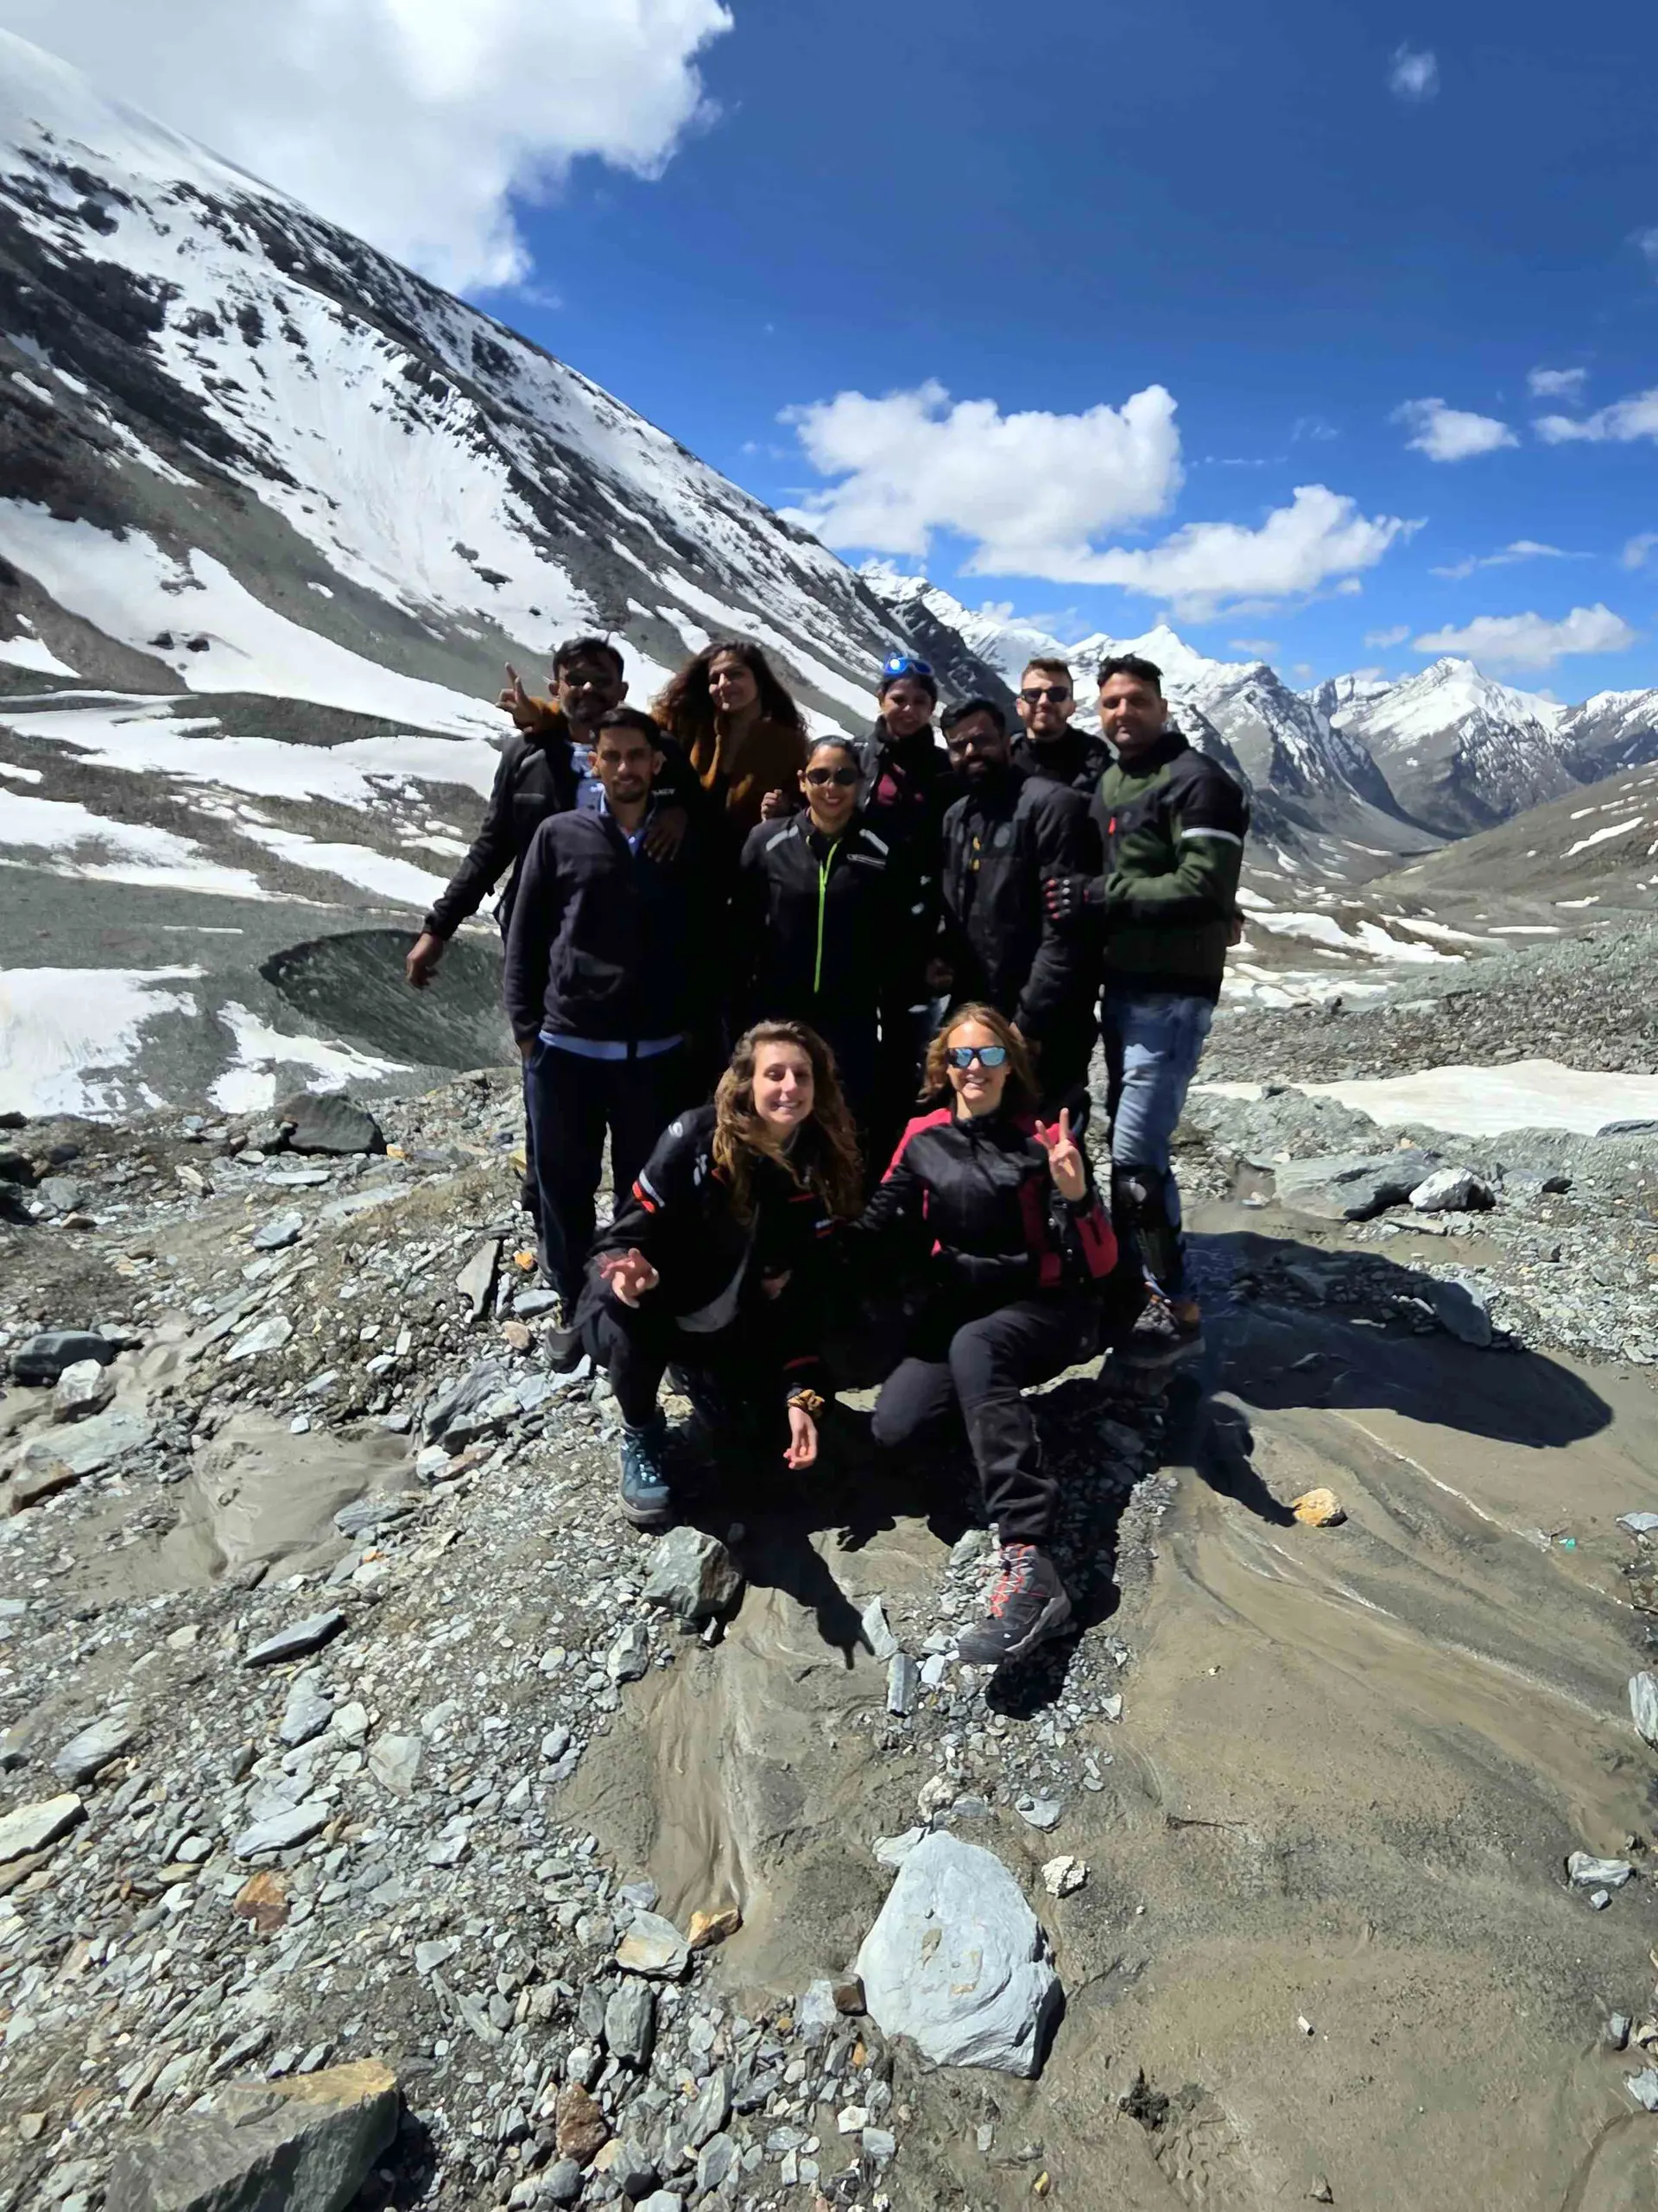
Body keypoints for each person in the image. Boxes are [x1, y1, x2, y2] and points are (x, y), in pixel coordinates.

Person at [857, 1005, 1117, 1665]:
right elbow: (876, 1226)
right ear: (944, 1067)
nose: (976, 1067)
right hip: (961, 1312)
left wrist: (1079, 1195)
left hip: (1045, 1309)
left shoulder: (1042, 1140)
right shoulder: (921, 1136)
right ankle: (990, 1422)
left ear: (1010, 1065)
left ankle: (1031, 1561)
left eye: (990, 1054)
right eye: (962, 1055)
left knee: (978, 1346)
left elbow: (1102, 1260)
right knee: (896, 1427)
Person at [1045, 653, 1250, 1366]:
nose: (1123, 712)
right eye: (1111, 702)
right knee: (1126, 1151)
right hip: (1123, 987)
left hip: (1173, 995)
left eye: (1136, 700)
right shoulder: (1111, 780)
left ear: (1163, 706)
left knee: (1134, 1159)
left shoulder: (1199, 781)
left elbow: (1203, 884)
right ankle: (1133, 1290)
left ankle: (1178, 1311)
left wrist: (1101, 896)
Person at [585, 1021, 864, 1528]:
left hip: (737, 1323)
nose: (790, 1087)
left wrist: (803, 1397)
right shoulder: (694, 1139)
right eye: (774, 1074)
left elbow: (812, 1298)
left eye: (802, 1075)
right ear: (746, 1083)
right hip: (659, 1308)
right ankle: (641, 1432)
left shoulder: (819, 1161)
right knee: (627, 1313)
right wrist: (626, 1280)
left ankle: (706, 1378)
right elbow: (616, 1243)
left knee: (764, 1463)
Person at [503, 707, 721, 1321]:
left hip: (653, 1057)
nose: (626, 767)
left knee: (645, 1192)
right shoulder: (559, 835)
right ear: (594, 763)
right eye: (613, 756)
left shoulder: (682, 841)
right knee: (563, 1189)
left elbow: (708, 940)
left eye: (637, 756)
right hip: (564, 1052)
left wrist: (693, 1030)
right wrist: (527, 1031)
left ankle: (632, 1306)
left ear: (657, 764)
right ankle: (576, 1305)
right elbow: (526, 935)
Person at [405, 637, 692, 987]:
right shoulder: (524, 756)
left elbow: (705, 831)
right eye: (576, 679)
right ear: (557, 689)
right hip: (539, 938)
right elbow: (492, 847)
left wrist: (679, 810)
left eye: (601, 680)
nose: (589, 688)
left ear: (622, 691)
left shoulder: (661, 753)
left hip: (639, 945)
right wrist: (437, 929)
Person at [733, 737, 922, 1165]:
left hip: (852, 1019)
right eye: (819, 776)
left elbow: (901, 939)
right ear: (803, 781)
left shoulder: (885, 847)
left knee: (845, 1129)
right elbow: (741, 930)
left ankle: (844, 1205)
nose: (831, 787)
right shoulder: (766, 841)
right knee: (777, 1125)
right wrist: (741, 1012)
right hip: (779, 1015)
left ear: (861, 781)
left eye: (844, 776)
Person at [934, 698, 1098, 1118]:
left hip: (1045, 1023)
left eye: (981, 740)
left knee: (1046, 1135)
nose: (971, 752)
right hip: (978, 1014)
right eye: (958, 746)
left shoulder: (1053, 806)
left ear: (1007, 741)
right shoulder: (956, 818)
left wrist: (1030, 1022)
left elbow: (1066, 931)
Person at [654, 640, 810, 844]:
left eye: (735, 674)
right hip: (679, 848)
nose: (722, 684)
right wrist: (669, 804)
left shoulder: (788, 744)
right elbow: (639, 744)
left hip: (745, 854)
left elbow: (806, 804)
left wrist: (782, 810)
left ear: (759, 679)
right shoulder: (690, 722)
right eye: (714, 679)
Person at [1010, 657, 1112, 797]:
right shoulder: (1003, 756)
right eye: (1033, 694)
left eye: (1057, 694)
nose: (1044, 702)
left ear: (1072, 706)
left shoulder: (1098, 762)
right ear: (1019, 706)